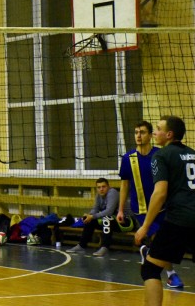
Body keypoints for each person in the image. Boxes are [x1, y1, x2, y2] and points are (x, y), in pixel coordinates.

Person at [135, 116, 195, 306]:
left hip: (179, 219)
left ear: (169, 134)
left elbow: (160, 193)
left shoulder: (161, 155)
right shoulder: (193, 153)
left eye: (158, 129)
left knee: (150, 270)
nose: (154, 132)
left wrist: (145, 226)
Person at [116, 121, 183, 288]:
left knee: (164, 241)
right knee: (159, 238)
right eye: (136, 132)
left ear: (150, 135)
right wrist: (120, 209)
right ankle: (171, 274)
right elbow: (124, 185)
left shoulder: (160, 154)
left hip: (163, 207)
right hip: (141, 208)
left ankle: (148, 252)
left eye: (143, 132)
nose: (138, 136)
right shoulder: (128, 158)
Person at [67, 177, 132, 256]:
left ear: (108, 187)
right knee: (90, 220)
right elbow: (95, 209)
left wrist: (92, 216)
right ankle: (81, 245)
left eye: (103, 187)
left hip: (126, 221)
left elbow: (109, 212)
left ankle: (105, 247)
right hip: (113, 221)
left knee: (106, 219)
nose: (101, 189)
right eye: (99, 187)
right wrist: (89, 216)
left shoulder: (112, 193)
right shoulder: (99, 195)